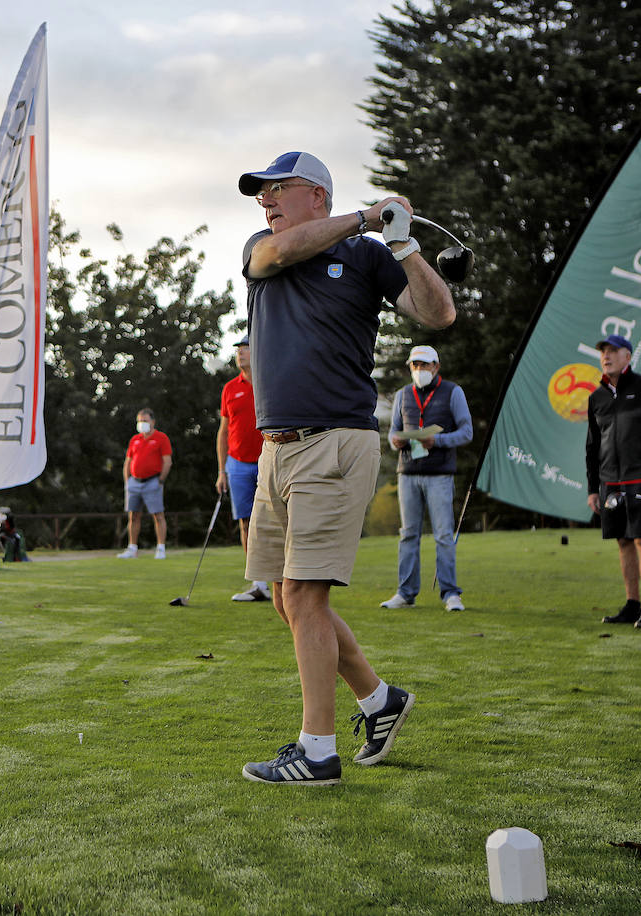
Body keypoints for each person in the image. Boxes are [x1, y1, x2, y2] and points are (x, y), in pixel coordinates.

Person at [235, 150, 455, 785]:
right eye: (262, 194)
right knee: (285, 598)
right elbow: (277, 254)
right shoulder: (262, 247)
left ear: (317, 197)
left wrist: (404, 243)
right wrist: (366, 215)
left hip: (335, 441)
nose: (266, 202)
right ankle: (379, 700)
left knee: (305, 593)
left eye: (279, 190)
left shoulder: (365, 256)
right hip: (275, 448)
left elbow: (438, 314)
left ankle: (318, 751)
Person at [585, 334, 641, 629]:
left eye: (613, 351)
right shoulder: (596, 398)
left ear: (628, 356)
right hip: (611, 483)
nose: (606, 356)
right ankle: (632, 604)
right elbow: (592, 446)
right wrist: (592, 489)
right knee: (623, 541)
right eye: (603, 352)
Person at [381, 345, 473, 611]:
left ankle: (450, 594)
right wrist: (395, 442)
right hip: (408, 473)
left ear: (436, 367)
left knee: (443, 535)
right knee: (408, 534)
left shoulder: (453, 392)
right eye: (415, 365)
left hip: (440, 474)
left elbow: (466, 432)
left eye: (425, 365)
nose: (419, 370)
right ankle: (405, 593)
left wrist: (439, 440)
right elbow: (394, 432)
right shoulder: (402, 394)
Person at [216, 336, 269, 601]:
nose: (241, 353)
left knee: (274, 520)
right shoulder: (229, 389)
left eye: (246, 348)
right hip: (236, 464)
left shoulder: (268, 382)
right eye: (238, 349)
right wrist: (221, 470)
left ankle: (281, 579)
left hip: (267, 461)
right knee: (246, 522)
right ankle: (257, 582)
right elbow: (223, 432)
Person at [117, 408, 172, 559]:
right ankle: (132, 548)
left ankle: (160, 548)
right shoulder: (135, 439)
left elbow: (167, 461)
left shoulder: (161, 438)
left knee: (158, 515)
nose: (142, 424)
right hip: (134, 482)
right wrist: (127, 481)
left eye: (145, 421)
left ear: (153, 422)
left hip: (153, 481)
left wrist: (160, 480)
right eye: (140, 421)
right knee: (133, 516)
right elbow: (128, 462)